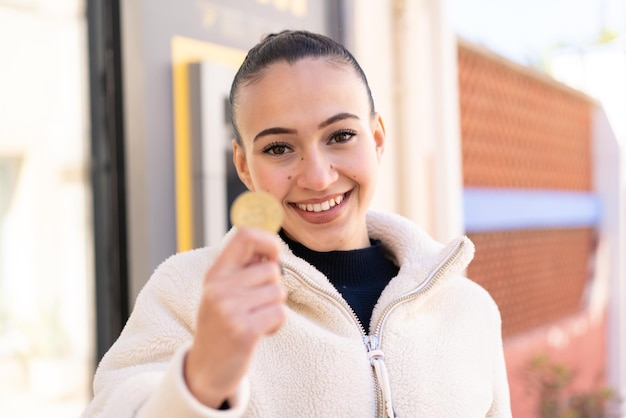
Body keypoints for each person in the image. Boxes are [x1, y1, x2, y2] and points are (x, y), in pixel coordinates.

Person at [82, 30, 512, 417]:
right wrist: (201, 383)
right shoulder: (189, 293)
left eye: (340, 136)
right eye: (278, 148)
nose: (318, 177)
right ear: (244, 166)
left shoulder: (468, 308)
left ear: (377, 139)